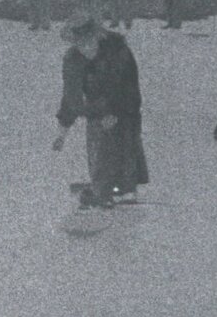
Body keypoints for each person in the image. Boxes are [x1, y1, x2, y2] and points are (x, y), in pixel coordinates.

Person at [52, 14, 147, 208]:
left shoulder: (118, 51)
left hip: (125, 103)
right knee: (100, 139)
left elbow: (129, 88)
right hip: (97, 108)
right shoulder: (73, 59)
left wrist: (116, 114)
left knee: (125, 138)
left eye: (89, 43)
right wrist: (62, 132)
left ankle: (126, 187)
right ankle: (103, 188)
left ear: (97, 37)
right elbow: (71, 98)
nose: (86, 49)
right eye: (81, 45)